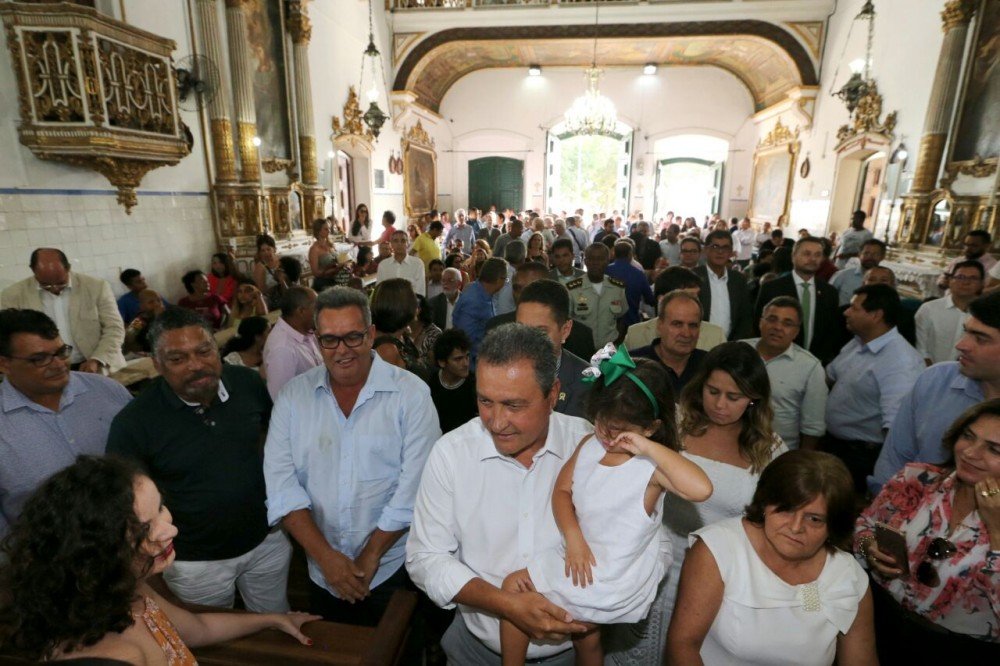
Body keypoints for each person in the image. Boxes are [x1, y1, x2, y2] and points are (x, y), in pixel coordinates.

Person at [499, 348, 712, 666]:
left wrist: (647, 447)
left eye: (621, 431)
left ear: (650, 428)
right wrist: (573, 537)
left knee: (512, 587)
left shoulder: (650, 471)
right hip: (580, 555)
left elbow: (702, 489)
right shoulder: (589, 445)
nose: (608, 436)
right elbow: (562, 492)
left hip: (610, 578)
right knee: (587, 639)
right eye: (601, 423)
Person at [0, 456, 319, 663]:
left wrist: (273, 619)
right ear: (96, 553)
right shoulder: (111, 657)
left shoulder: (125, 590)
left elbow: (198, 628)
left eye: (161, 507)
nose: (171, 529)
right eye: (144, 528)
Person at [407, 324, 593, 664]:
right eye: (485, 401)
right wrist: (506, 605)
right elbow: (426, 557)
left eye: (513, 405)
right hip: (474, 652)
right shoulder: (452, 453)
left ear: (553, 394)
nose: (496, 422)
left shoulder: (589, 448)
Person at [264, 287, 440, 625]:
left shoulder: (411, 395)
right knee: (334, 647)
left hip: (391, 567)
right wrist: (326, 558)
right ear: (317, 340)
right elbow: (282, 487)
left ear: (371, 334)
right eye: (330, 340)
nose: (342, 350)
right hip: (322, 571)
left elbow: (415, 488)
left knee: (396, 645)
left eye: (353, 337)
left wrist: (371, 555)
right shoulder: (293, 398)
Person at [107, 307, 291, 613]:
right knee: (214, 633)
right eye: (178, 359)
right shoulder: (134, 424)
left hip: (266, 542)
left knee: (276, 620)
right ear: (157, 364)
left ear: (217, 350)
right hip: (196, 563)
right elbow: (127, 503)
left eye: (204, 351)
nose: (196, 365)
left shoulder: (248, 383)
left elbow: (270, 435)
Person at [667, 450, 876, 666]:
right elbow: (683, 645)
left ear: (833, 526)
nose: (795, 527)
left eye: (814, 519)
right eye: (786, 510)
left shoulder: (847, 576)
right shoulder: (719, 550)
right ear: (765, 503)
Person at [655, 343, 787, 648]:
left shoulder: (769, 449)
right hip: (658, 563)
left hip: (722, 576)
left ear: (753, 399)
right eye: (712, 391)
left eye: (733, 397)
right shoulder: (674, 424)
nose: (719, 404)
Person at [856, 400, 1000, 657]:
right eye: (968, 436)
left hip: (956, 652)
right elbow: (864, 526)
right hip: (877, 619)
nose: (970, 453)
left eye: (994, 449)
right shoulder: (917, 478)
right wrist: (869, 548)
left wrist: (997, 530)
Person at [0, 308, 131, 536]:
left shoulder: (108, 392)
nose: (58, 364)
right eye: (39, 359)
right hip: (45, 554)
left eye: (61, 352)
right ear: (4, 364)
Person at [870, 291, 1000, 493]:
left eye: (980, 339)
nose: (961, 345)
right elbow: (895, 459)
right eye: (966, 332)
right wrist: (885, 505)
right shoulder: (935, 381)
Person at [824, 284, 926, 493]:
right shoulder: (857, 343)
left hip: (862, 457)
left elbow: (896, 428)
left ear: (876, 315)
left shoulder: (900, 361)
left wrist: (884, 481)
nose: (846, 312)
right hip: (836, 447)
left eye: (854, 308)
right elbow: (830, 377)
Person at [1, 248, 126, 373]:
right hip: (44, 371)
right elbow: (8, 339)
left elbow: (114, 328)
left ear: (68, 268)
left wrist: (97, 359)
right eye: (45, 285)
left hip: (96, 365)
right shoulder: (12, 296)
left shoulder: (96, 287)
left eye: (61, 283)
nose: (54, 288)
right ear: (33, 270)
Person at [742, 296, 827, 450]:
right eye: (772, 319)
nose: (778, 327)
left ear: (796, 331)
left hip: (779, 451)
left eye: (787, 323)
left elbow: (813, 428)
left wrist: (800, 460)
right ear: (761, 322)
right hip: (731, 444)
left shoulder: (810, 367)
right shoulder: (738, 351)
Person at [755, 236, 842, 365]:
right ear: (793, 256)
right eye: (807, 254)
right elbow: (758, 325)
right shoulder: (772, 288)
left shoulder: (830, 292)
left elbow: (831, 330)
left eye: (817, 255)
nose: (812, 259)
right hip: (776, 359)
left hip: (814, 362)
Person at [515, 279, 591, 419]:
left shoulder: (590, 384)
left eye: (541, 332)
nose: (528, 341)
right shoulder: (499, 373)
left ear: (565, 330)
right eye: (521, 329)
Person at [623, 267, 727, 353]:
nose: (695, 303)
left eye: (697, 297)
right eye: (688, 297)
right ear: (662, 300)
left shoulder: (716, 336)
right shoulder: (635, 335)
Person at [631, 291, 708, 396]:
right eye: (677, 324)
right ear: (660, 325)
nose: (686, 333)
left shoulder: (710, 366)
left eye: (693, 325)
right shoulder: (632, 366)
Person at [916, 260, 983, 364]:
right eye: (960, 277)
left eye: (973, 278)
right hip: (929, 369)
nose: (966, 282)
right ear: (950, 280)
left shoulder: (985, 314)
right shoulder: (929, 309)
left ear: (981, 284)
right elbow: (921, 350)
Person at [261, 286, 321, 399]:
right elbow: (281, 399)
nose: (320, 313)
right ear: (301, 311)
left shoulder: (307, 331)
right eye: (316, 308)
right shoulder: (282, 349)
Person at [695, 230, 753, 340]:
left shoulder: (738, 280)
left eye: (725, 248)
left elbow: (745, 316)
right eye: (715, 247)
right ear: (706, 250)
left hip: (730, 344)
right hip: (698, 342)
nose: (720, 252)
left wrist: (735, 343)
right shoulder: (694, 277)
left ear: (731, 252)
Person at [568, 244, 627, 348]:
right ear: (585, 262)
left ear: (607, 261)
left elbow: (621, 317)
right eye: (591, 259)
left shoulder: (617, 288)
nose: (595, 263)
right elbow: (566, 321)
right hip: (581, 349)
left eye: (600, 259)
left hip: (609, 349)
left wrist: (617, 342)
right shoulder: (572, 289)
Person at [452, 257, 508, 362]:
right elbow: (465, 339)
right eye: (506, 279)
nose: (505, 282)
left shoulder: (484, 293)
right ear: (499, 279)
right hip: (472, 363)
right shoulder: (473, 300)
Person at [426, 328, 477, 434]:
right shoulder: (429, 383)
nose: (466, 363)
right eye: (458, 359)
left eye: (467, 356)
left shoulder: (476, 385)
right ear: (442, 362)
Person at [606, 241, 655, 328]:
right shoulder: (638, 274)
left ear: (614, 254)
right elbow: (650, 300)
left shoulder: (605, 271)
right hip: (631, 323)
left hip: (607, 323)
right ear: (630, 255)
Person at [829, 239, 887, 306]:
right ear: (859, 255)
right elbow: (827, 298)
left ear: (882, 257)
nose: (870, 257)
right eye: (866, 253)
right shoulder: (842, 275)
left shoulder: (887, 280)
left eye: (875, 254)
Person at [377, 229, 427, 297]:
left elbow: (420, 292)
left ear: (408, 244)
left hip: (411, 303)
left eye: (403, 241)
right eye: (395, 241)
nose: (399, 244)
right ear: (391, 244)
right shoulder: (383, 265)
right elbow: (379, 291)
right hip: (388, 303)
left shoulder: (417, 264)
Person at [308, 217, 343, 292]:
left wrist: (344, 263)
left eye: (329, 228)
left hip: (337, 279)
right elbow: (315, 273)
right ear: (319, 231)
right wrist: (334, 270)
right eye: (326, 229)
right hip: (324, 282)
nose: (329, 231)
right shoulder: (314, 249)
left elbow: (338, 260)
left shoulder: (331, 245)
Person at [251, 234, 282, 305]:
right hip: (270, 301)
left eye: (268, 249)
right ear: (259, 253)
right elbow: (261, 291)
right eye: (263, 250)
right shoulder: (260, 267)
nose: (266, 253)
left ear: (274, 249)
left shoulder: (282, 261)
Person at [429, 266, 462, 330]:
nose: (445, 283)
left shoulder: (466, 302)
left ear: (459, 284)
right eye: (443, 280)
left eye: (450, 280)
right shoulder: (434, 302)